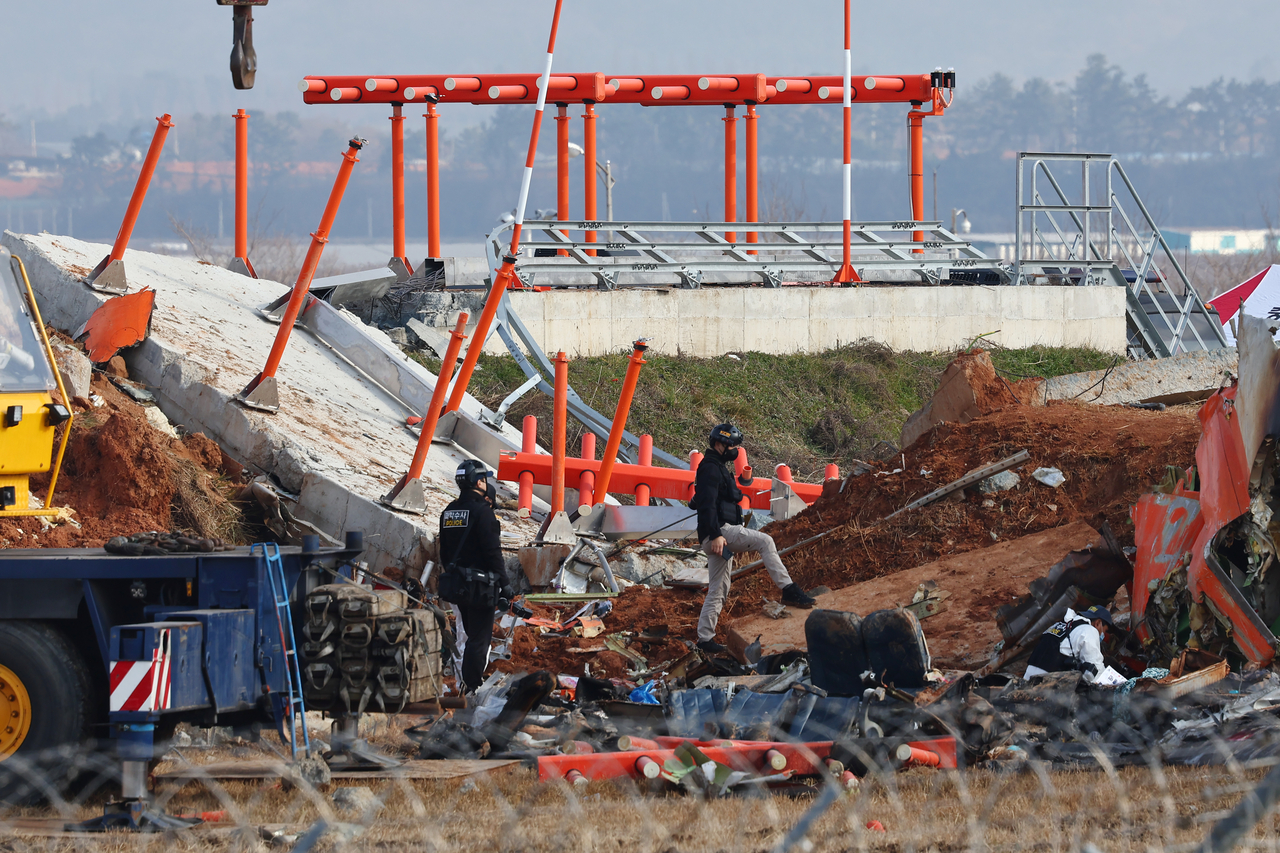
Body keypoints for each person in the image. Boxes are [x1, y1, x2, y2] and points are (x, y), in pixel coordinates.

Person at [693, 423, 816, 654]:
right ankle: (788, 589)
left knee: (718, 589)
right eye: (732, 445)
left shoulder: (714, 467)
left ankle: (705, 640)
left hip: (717, 534)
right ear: (720, 443)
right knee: (765, 541)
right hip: (720, 533)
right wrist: (716, 534)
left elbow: (705, 498)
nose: (734, 450)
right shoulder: (710, 467)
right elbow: (707, 504)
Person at [437, 460, 525, 693]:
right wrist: (505, 586)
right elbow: (492, 552)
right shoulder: (483, 512)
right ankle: (472, 687)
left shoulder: (449, 511)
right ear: (478, 482)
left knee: (468, 635)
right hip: (479, 586)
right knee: (479, 639)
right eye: (484, 479)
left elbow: (444, 551)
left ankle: (466, 682)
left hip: (456, 585)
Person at [1023, 605, 1114, 682]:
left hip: (1027, 678)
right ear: (1098, 623)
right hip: (1046, 685)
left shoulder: (1061, 625)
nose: (1103, 635)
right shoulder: (1089, 630)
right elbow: (1096, 668)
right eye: (1104, 631)